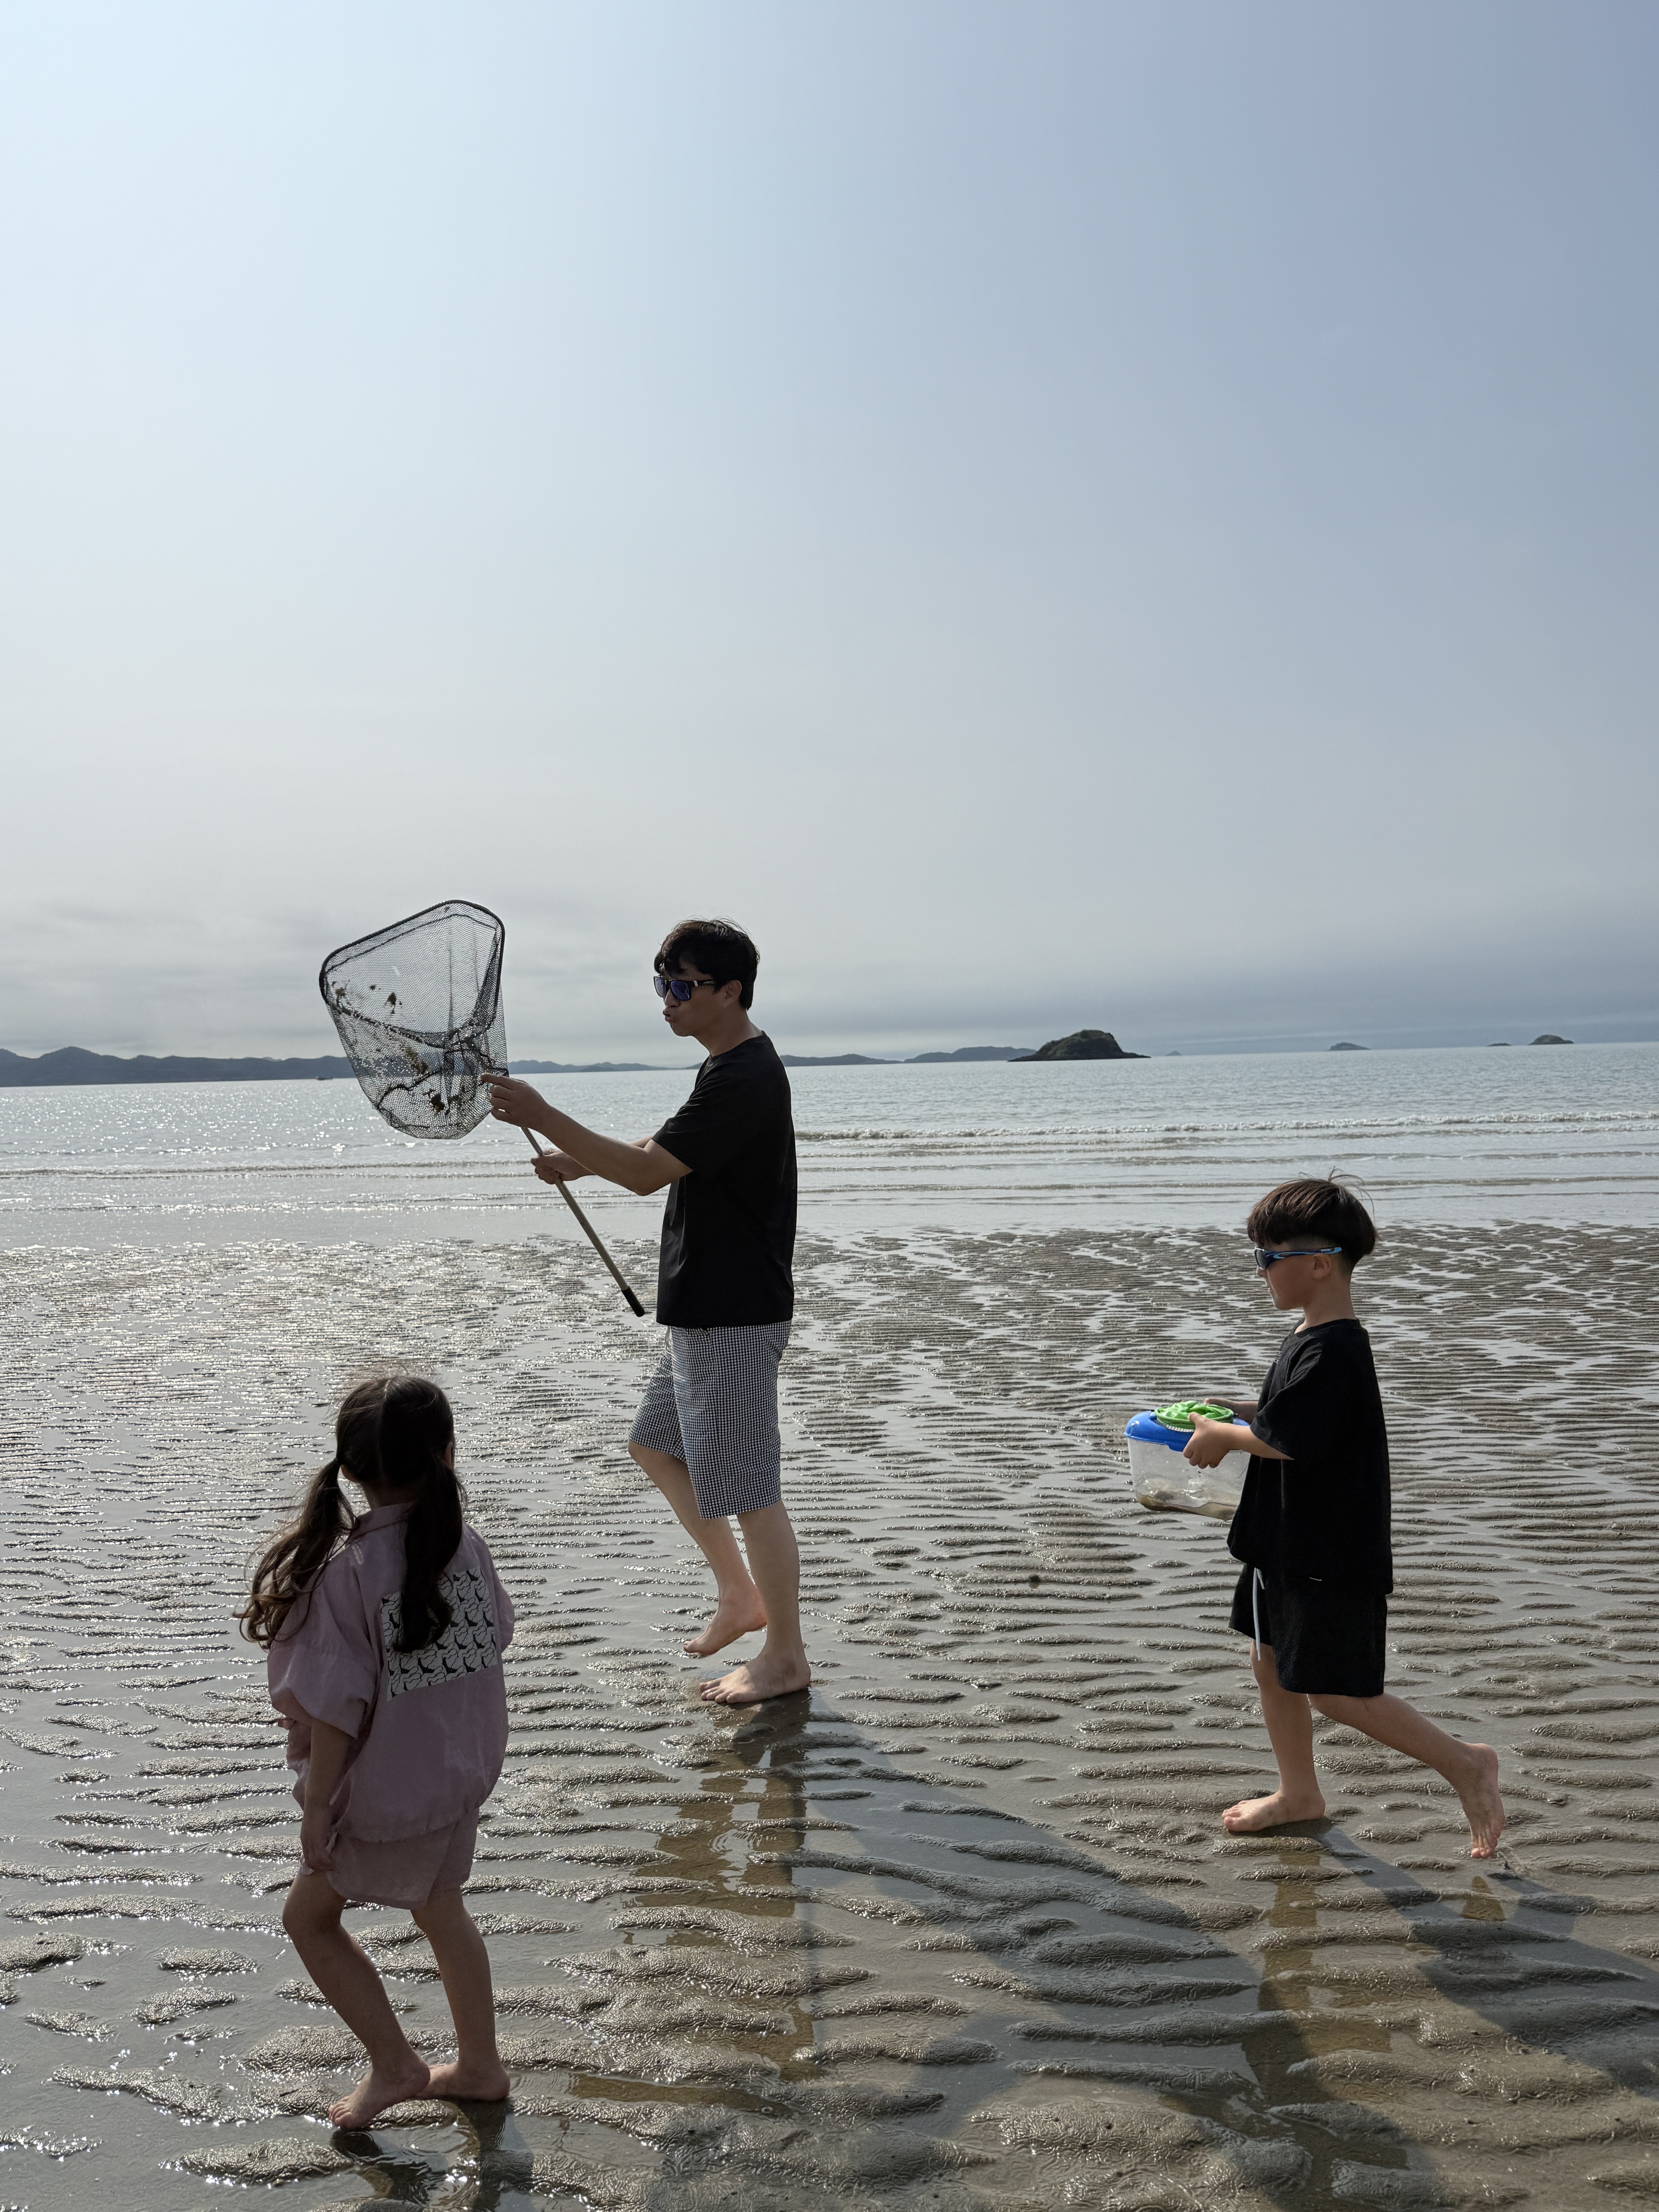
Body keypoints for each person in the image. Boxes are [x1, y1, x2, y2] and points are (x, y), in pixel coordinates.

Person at [484, 918, 806, 1709]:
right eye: (661, 983)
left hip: (733, 1313)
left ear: (730, 991)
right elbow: (667, 1144)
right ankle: (739, 1595)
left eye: (682, 985)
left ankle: (785, 1656)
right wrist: (579, 1160)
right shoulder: (725, 1068)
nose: (667, 999)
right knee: (655, 1447)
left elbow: (645, 1173)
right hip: (704, 1311)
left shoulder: (745, 1075)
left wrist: (544, 1113)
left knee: (750, 1489)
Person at [1182, 1179, 1505, 1858]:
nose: (1259, 1271)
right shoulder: (1308, 1337)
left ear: (1318, 1264)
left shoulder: (1335, 1350)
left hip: (1326, 1550)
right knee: (1269, 1660)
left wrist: (1227, 1438)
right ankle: (1298, 1792)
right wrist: (1234, 1413)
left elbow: (1288, 1441)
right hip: (1283, 1540)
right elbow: (1287, 1419)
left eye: (1267, 1258)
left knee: (1335, 1691)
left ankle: (1465, 1761)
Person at [242, 1373, 514, 2127]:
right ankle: (480, 2065)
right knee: (442, 1909)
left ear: (351, 1467)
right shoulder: (465, 1546)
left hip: (382, 1793)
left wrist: (318, 1806)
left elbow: (335, 1708)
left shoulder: (349, 1575)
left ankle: (397, 2064)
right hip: (457, 1776)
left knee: (308, 1920)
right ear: (446, 1452)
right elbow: (496, 1637)